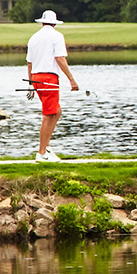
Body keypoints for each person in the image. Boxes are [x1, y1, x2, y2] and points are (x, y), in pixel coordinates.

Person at [26, 9, 79, 161]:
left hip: (36, 77)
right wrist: (72, 80)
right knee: (49, 115)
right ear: (54, 23)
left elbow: (29, 63)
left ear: (42, 22)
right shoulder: (57, 36)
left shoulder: (34, 38)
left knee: (56, 111)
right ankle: (41, 153)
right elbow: (60, 58)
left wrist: (31, 83)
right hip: (49, 78)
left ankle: (47, 147)